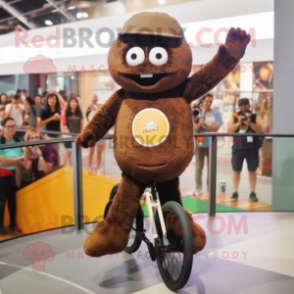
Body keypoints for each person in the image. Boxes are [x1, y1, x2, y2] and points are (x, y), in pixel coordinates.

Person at [227, 98, 263, 202]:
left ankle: (252, 192)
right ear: (238, 107)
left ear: (249, 105)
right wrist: (238, 123)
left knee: (252, 170)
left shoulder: (255, 116)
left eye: (245, 105)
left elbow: (261, 130)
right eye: (241, 105)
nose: (243, 107)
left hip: (252, 147)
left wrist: (250, 123)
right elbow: (228, 130)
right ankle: (235, 192)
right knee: (236, 170)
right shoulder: (234, 116)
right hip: (238, 147)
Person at [193, 93, 223, 196]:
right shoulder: (198, 113)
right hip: (200, 144)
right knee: (198, 168)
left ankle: (210, 189)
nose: (208, 103)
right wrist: (201, 123)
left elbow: (217, 128)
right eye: (206, 101)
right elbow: (194, 129)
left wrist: (205, 127)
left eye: (210, 101)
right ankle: (198, 189)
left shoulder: (217, 113)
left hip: (212, 145)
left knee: (211, 168)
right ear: (203, 102)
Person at [0, 117, 24, 235]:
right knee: (2, 200)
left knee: (13, 201)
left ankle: (12, 225)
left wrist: (14, 160)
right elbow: (3, 161)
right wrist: (18, 159)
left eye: (13, 126)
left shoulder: (18, 139)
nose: (11, 128)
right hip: (3, 174)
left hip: (16, 175)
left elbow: (25, 155)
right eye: (8, 126)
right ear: (3, 128)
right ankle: (0, 227)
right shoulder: (0, 141)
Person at [63, 97, 84, 165]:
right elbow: (63, 125)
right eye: (72, 101)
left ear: (77, 103)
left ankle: (75, 170)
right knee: (68, 154)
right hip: (67, 137)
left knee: (76, 155)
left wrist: (81, 136)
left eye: (75, 102)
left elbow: (82, 126)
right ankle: (69, 169)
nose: (74, 103)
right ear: (69, 103)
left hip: (77, 137)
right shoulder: (66, 112)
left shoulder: (80, 113)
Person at [86, 94, 104, 174]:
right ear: (90, 99)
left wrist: (96, 104)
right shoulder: (88, 108)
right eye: (93, 98)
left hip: (101, 132)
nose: (94, 99)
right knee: (91, 151)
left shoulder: (101, 106)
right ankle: (89, 168)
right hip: (92, 132)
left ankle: (98, 168)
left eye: (96, 98)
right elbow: (88, 121)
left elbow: (102, 115)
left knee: (99, 152)